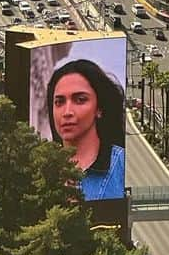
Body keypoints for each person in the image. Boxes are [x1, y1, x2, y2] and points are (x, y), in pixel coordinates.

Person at [46, 57, 126, 201]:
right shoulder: (40, 169)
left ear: (99, 108)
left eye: (80, 100)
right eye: (59, 102)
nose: (67, 112)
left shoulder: (121, 164)